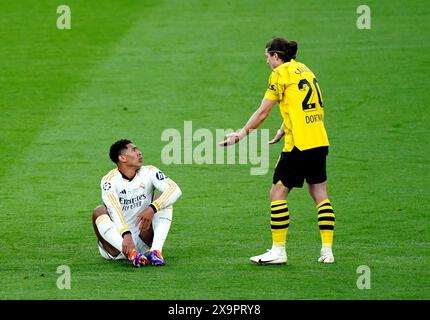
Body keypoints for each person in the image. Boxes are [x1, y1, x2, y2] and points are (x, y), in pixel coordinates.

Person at [219, 38, 336, 264]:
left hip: (298, 145)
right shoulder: (305, 70)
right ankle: (327, 251)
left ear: (276, 55)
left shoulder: (280, 73)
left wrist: (241, 133)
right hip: (319, 140)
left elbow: (263, 112)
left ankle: (278, 251)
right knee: (320, 195)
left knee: (277, 194)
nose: (266, 61)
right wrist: (285, 125)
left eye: (267, 57)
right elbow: (306, 103)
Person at [91, 139, 182, 267]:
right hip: (117, 244)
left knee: (164, 199)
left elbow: (175, 190)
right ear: (122, 158)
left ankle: (156, 251)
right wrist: (126, 234)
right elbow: (113, 209)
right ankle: (131, 254)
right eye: (134, 150)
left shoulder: (150, 171)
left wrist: (153, 208)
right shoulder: (109, 181)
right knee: (99, 211)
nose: (139, 153)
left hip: (143, 238)